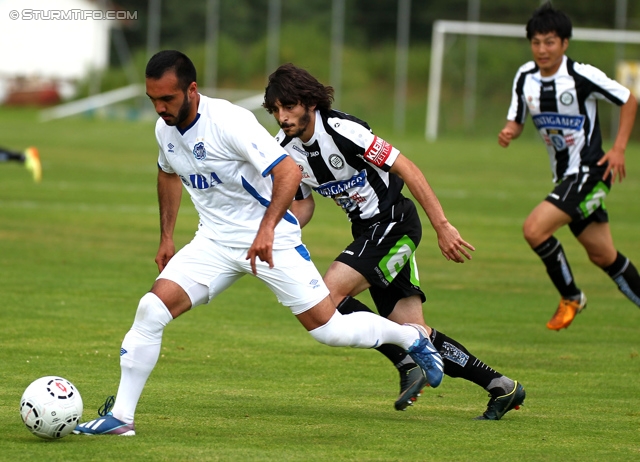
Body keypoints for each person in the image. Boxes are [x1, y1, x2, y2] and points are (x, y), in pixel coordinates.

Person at [74, 50, 445, 436]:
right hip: (214, 242)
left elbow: (287, 171)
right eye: (153, 100)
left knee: (328, 329)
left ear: (192, 89)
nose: (159, 108)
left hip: (271, 240)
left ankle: (411, 338)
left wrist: (267, 228)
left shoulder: (230, 121)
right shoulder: (164, 130)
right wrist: (166, 237)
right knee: (150, 310)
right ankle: (121, 418)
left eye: (167, 99)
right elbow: (167, 172)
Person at [263, 63, 525, 420]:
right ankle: (501, 386)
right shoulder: (286, 150)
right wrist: (282, 230)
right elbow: (304, 202)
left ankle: (404, 361)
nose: (282, 116)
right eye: (276, 109)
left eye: (288, 106)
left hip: (394, 223)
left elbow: (408, 168)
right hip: (368, 233)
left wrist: (443, 226)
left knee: (324, 301)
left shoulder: (343, 130)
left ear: (309, 102)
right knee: (415, 330)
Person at [498, 2, 640, 330]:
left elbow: (628, 99)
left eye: (550, 42)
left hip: (591, 172)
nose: (542, 49)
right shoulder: (525, 77)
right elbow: (516, 120)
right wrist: (510, 131)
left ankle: (572, 296)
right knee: (604, 256)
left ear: (564, 43)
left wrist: (619, 148)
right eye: (536, 42)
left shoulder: (581, 75)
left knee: (534, 229)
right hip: (566, 176)